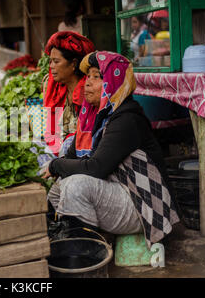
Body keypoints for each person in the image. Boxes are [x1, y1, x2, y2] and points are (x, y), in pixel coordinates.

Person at [44, 51, 181, 247]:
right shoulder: (94, 116)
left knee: (76, 186)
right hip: (120, 191)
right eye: (88, 76)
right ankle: (68, 243)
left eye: (97, 77)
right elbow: (73, 155)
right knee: (58, 188)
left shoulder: (126, 119)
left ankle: (86, 255)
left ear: (114, 83)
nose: (88, 83)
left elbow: (96, 167)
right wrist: (55, 168)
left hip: (145, 203)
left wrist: (56, 165)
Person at [37, 31, 95, 170]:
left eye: (56, 61)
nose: (51, 66)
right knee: (33, 147)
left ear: (73, 63)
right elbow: (51, 130)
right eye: (50, 61)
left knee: (69, 144)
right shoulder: (54, 88)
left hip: (81, 152)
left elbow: (88, 134)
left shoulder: (88, 90)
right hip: (58, 146)